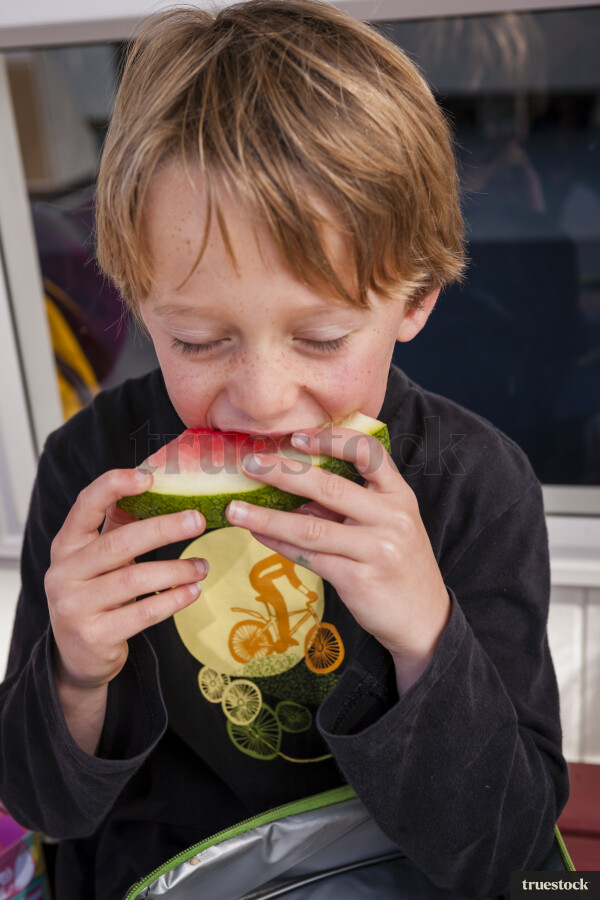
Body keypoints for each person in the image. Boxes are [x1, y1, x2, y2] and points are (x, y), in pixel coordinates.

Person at [0, 2, 568, 898]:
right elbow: (41, 807)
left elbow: (502, 848)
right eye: (196, 342)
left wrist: (424, 633)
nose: (262, 399)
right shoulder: (91, 471)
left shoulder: (477, 486)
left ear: (414, 301)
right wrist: (75, 671)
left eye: (321, 338)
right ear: (137, 300)